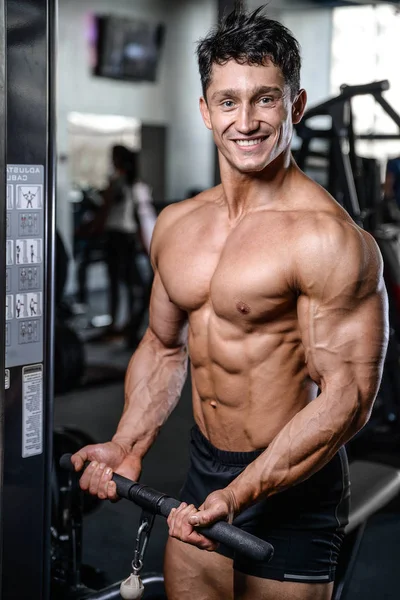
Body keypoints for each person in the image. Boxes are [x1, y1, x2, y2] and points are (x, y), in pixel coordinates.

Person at [72, 6, 389, 600]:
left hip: (290, 492)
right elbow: (164, 347)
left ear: (294, 106)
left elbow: (347, 398)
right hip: (201, 476)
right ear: (204, 110)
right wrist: (127, 443)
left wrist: (239, 494)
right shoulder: (177, 225)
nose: (245, 121)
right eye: (227, 101)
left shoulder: (329, 239)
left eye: (265, 99)